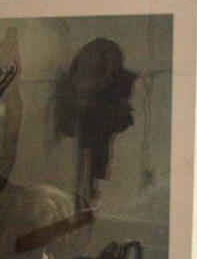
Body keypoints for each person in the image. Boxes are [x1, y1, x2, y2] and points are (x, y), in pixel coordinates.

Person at [55, 38, 137, 203]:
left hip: (91, 113)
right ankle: (88, 190)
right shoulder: (101, 62)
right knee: (93, 153)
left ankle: (87, 190)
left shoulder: (93, 61)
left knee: (89, 153)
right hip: (95, 114)